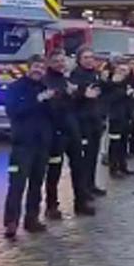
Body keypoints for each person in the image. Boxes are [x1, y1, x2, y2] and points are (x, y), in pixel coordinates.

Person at [3, 55, 54, 239]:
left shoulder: (47, 88)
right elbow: (14, 111)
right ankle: (11, 222)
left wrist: (53, 101)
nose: (38, 70)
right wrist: (37, 100)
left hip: (42, 144)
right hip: (22, 144)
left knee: (36, 183)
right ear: (28, 67)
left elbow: (54, 115)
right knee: (17, 184)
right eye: (35, 66)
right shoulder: (15, 88)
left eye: (41, 67)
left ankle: (32, 219)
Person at [43, 50, 95, 218]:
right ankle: (51, 206)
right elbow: (53, 102)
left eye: (62, 61)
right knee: (54, 170)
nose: (60, 64)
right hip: (57, 132)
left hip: (73, 129)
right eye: (56, 61)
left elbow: (75, 99)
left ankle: (80, 202)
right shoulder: (46, 81)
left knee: (78, 167)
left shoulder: (66, 79)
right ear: (49, 63)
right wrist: (70, 93)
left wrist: (78, 94)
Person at [70, 46, 107, 198]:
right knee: (84, 158)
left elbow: (101, 95)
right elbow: (72, 96)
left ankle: (91, 185)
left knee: (93, 155)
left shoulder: (96, 75)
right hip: (82, 121)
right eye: (86, 57)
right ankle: (83, 189)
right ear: (79, 59)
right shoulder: (75, 75)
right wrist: (83, 94)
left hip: (95, 120)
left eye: (91, 57)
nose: (89, 60)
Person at [103, 60, 134, 179]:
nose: (124, 73)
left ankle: (123, 166)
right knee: (115, 143)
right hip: (115, 117)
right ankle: (113, 168)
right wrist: (124, 93)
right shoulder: (110, 83)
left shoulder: (127, 82)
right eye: (121, 70)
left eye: (126, 70)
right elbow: (108, 99)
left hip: (126, 116)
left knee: (123, 142)